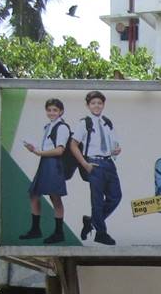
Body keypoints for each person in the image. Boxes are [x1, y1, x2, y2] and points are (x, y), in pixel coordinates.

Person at [19, 98, 85, 243]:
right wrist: (35, 150)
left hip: (54, 164)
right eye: (49, 110)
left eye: (55, 110)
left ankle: (58, 232)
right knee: (34, 194)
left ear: (61, 111)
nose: (51, 112)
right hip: (46, 162)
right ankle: (36, 230)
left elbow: (60, 150)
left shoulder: (61, 127)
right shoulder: (48, 126)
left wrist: (39, 153)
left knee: (55, 197)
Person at [73, 89, 122, 246]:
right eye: (93, 103)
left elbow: (113, 144)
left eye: (99, 103)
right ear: (88, 105)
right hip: (94, 164)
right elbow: (73, 145)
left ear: (103, 105)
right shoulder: (84, 123)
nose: (96, 106)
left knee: (116, 196)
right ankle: (101, 233)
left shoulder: (107, 122)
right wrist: (85, 164)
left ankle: (92, 221)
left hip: (108, 163)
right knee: (97, 201)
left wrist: (116, 150)